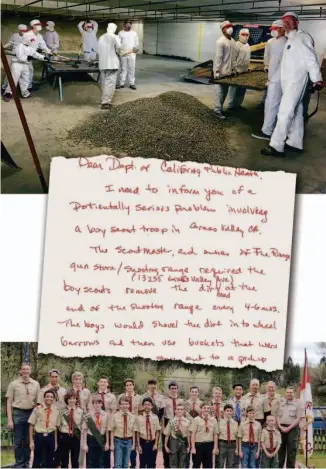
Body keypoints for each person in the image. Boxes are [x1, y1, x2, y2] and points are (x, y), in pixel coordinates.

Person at [261, 11, 323, 156]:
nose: (287, 23)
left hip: (296, 81)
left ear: (297, 22)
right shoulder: (290, 39)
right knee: (297, 112)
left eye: (291, 21)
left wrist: (317, 78)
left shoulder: (302, 37)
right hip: (288, 81)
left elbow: (311, 59)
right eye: (285, 22)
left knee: (285, 112)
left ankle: (276, 145)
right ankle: (295, 142)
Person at [252, 20, 287, 140]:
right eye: (272, 29)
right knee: (273, 104)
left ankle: (267, 131)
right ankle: (274, 128)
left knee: (272, 104)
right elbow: (267, 56)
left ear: (282, 29)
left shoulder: (287, 43)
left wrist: (273, 79)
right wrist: (266, 66)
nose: (273, 31)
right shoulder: (270, 41)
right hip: (272, 77)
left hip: (279, 79)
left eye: (275, 29)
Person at [6, 363, 41, 468]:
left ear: (30, 371)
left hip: (31, 413)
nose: (25, 371)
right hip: (18, 413)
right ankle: (19, 463)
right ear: (20, 371)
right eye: (23, 369)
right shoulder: (13, 384)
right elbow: (9, 402)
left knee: (28, 441)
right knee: (17, 441)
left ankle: (26, 463)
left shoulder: (36, 384)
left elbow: (38, 402)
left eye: (27, 369)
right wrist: (9, 420)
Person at [3, 31, 46, 103]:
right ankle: (8, 94)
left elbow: (35, 53)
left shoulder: (29, 47)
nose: (32, 42)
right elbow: (20, 57)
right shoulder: (19, 46)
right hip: (17, 65)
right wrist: (29, 58)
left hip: (25, 65)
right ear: (26, 39)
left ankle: (25, 93)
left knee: (25, 79)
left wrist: (43, 57)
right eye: (31, 40)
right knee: (14, 80)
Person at [28, 389, 59, 468]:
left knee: (50, 461)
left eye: (51, 397)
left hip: (51, 437)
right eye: (47, 396)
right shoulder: (37, 409)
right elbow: (31, 425)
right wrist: (31, 441)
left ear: (54, 399)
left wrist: (55, 442)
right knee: (37, 460)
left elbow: (55, 428)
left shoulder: (56, 411)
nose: (49, 398)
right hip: (39, 437)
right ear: (44, 398)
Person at [213, 20, 236, 119]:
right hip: (221, 72)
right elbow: (219, 57)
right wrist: (217, 71)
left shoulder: (233, 41)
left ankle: (220, 108)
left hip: (228, 72)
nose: (230, 28)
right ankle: (217, 111)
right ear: (223, 30)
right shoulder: (220, 41)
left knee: (225, 91)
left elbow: (233, 56)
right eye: (227, 27)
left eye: (230, 26)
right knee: (220, 92)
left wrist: (234, 69)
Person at [58, 389, 87, 469]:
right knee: (64, 461)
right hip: (64, 436)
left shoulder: (81, 411)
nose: (72, 400)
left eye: (74, 398)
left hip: (76, 437)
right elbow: (58, 425)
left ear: (76, 399)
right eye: (70, 399)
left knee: (75, 460)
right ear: (67, 400)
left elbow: (83, 426)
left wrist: (83, 441)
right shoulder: (62, 411)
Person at [277, 386, 304, 468]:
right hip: (281, 427)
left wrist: (289, 428)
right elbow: (277, 416)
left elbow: (299, 418)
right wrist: (280, 426)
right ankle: (279, 467)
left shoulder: (298, 403)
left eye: (291, 392)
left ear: (294, 393)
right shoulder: (281, 402)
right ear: (285, 393)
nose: (289, 394)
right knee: (280, 450)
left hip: (293, 428)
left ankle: (290, 467)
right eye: (288, 392)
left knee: (291, 450)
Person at [118, 378, 142, 468]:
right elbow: (118, 410)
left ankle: (133, 465)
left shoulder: (139, 398)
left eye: (130, 385)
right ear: (125, 387)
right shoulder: (120, 397)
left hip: (133, 425)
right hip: (122, 425)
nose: (129, 386)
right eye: (127, 385)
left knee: (133, 447)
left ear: (133, 385)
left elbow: (140, 412)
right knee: (121, 446)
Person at [98, 23, 121, 110]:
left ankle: (104, 100)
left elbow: (98, 51)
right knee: (110, 83)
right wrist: (117, 52)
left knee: (104, 82)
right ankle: (106, 102)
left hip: (103, 64)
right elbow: (119, 48)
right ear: (114, 29)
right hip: (112, 64)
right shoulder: (115, 37)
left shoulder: (101, 37)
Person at [85, 394, 110, 469]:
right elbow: (85, 430)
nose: (97, 405)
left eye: (99, 403)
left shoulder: (106, 415)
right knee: (90, 461)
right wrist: (84, 443)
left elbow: (107, 430)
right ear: (92, 404)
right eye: (95, 403)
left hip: (101, 439)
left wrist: (107, 443)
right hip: (91, 439)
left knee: (101, 461)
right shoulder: (88, 415)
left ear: (102, 404)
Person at [228, 28, 251, 110]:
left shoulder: (248, 46)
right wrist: (234, 70)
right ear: (239, 35)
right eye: (243, 34)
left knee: (242, 90)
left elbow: (247, 58)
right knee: (233, 90)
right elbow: (232, 59)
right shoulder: (236, 45)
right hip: (236, 71)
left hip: (244, 71)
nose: (245, 36)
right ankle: (231, 106)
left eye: (247, 35)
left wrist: (247, 68)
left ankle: (238, 105)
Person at [111, 396, 136, 469]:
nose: (125, 406)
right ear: (119, 405)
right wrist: (112, 444)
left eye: (127, 404)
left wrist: (134, 444)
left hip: (129, 441)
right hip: (118, 441)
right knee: (118, 464)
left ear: (129, 405)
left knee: (126, 464)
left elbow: (134, 431)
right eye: (122, 404)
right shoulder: (115, 416)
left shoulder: (133, 416)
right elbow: (112, 430)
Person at [190, 402, 218, 468]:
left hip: (209, 445)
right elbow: (193, 434)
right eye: (204, 408)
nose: (206, 409)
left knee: (208, 465)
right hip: (198, 445)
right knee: (196, 465)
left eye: (208, 408)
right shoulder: (196, 420)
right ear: (201, 409)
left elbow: (215, 434)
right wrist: (193, 447)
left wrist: (215, 447)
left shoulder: (213, 420)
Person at [162, 381, 183, 468]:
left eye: (175, 388)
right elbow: (162, 415)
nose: (173, 390)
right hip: (168, 422)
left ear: (177, 389)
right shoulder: (165, 400)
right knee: (166, 447)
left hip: (178, 423)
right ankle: (167, 465)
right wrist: (163, 427)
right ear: (169, 389)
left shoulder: (181, 400)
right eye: (172, 388)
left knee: (178, 446)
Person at [2, 24, 28, 93]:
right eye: (22, 31)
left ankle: (25, 89)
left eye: (25, 31)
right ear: (19, 30)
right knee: (11, 72)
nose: (23, 32)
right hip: (14, 57)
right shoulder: (15, 35)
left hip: (23, 57)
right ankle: (4, 87)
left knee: (25, 73)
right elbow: (10, 43)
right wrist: (3, 47)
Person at [164, 403, 191, 469]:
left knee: (182, 460)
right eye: (178, 409)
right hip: (174, 441)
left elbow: (188, 435)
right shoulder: (171, 421)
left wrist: (189, 446)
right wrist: (165, 446)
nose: (179, 411)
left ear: (184, 411)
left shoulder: (187, 421)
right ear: (175, 410)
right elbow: (167, 435)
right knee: (173, 460)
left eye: (181, 409)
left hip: (183, 442)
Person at [136, 397, 161, 468]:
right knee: (142, 463)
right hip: (142, 442)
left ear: (152, 406)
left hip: (152, 443)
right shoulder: (139, 418)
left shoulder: (155, 417)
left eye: (149, 404)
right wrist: (139, 445)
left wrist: (156, 444)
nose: (147, 406)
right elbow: (137, 432)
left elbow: (157, 431)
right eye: (145, 404)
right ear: (143, 406)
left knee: (152, 463)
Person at [28, 19, 52, 89]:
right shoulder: (28, 35)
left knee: (30, 71)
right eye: (38, 25)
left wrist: (49, 51)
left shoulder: (39, 36)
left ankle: (29, 86)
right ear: (33, 26)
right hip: (24, 57)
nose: (40, 26)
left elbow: (43, 45)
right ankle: (6, 89)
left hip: (30, 57)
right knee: (18, 74)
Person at [117, 19, 139, 90]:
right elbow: (118, 43)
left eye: (130, 24)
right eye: (127, 24)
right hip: (123, 54)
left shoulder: (134, 33)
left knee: (131, 69)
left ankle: (131, 83)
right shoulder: (121, 33)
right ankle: (121, 83)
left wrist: (136, 47)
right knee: (123, 69)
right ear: (124, 25)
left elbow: (136, 41)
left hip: (132, 53)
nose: (129, 25)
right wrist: (118, 51)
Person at [216, 404, 238, 469]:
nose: (229, 412)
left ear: (233, 412)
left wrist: (237, 448)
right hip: (222, 444)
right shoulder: (219, 422)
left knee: (231, 464)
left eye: (230, 411)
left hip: (232, 445)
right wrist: (216, 447)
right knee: (220, 463)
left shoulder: (236, 423)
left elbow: (237, 436)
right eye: (227, 410)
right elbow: (216, 435)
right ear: (224, 412)